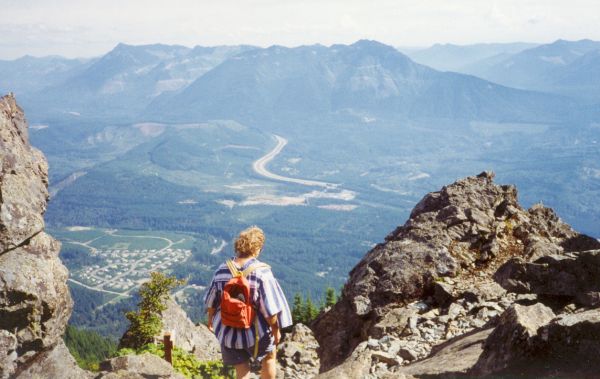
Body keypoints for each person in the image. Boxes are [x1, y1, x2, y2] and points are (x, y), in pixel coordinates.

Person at [204, 226, 292, 379]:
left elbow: (211, 301)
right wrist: (276, 330)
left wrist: (210, 321)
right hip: (257, 335)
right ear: (257, 249)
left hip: (228, 333)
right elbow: (270, 310)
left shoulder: (222, 269)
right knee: (269, 358)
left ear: (238, 246)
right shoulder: (262, 272)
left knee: (242, 369)